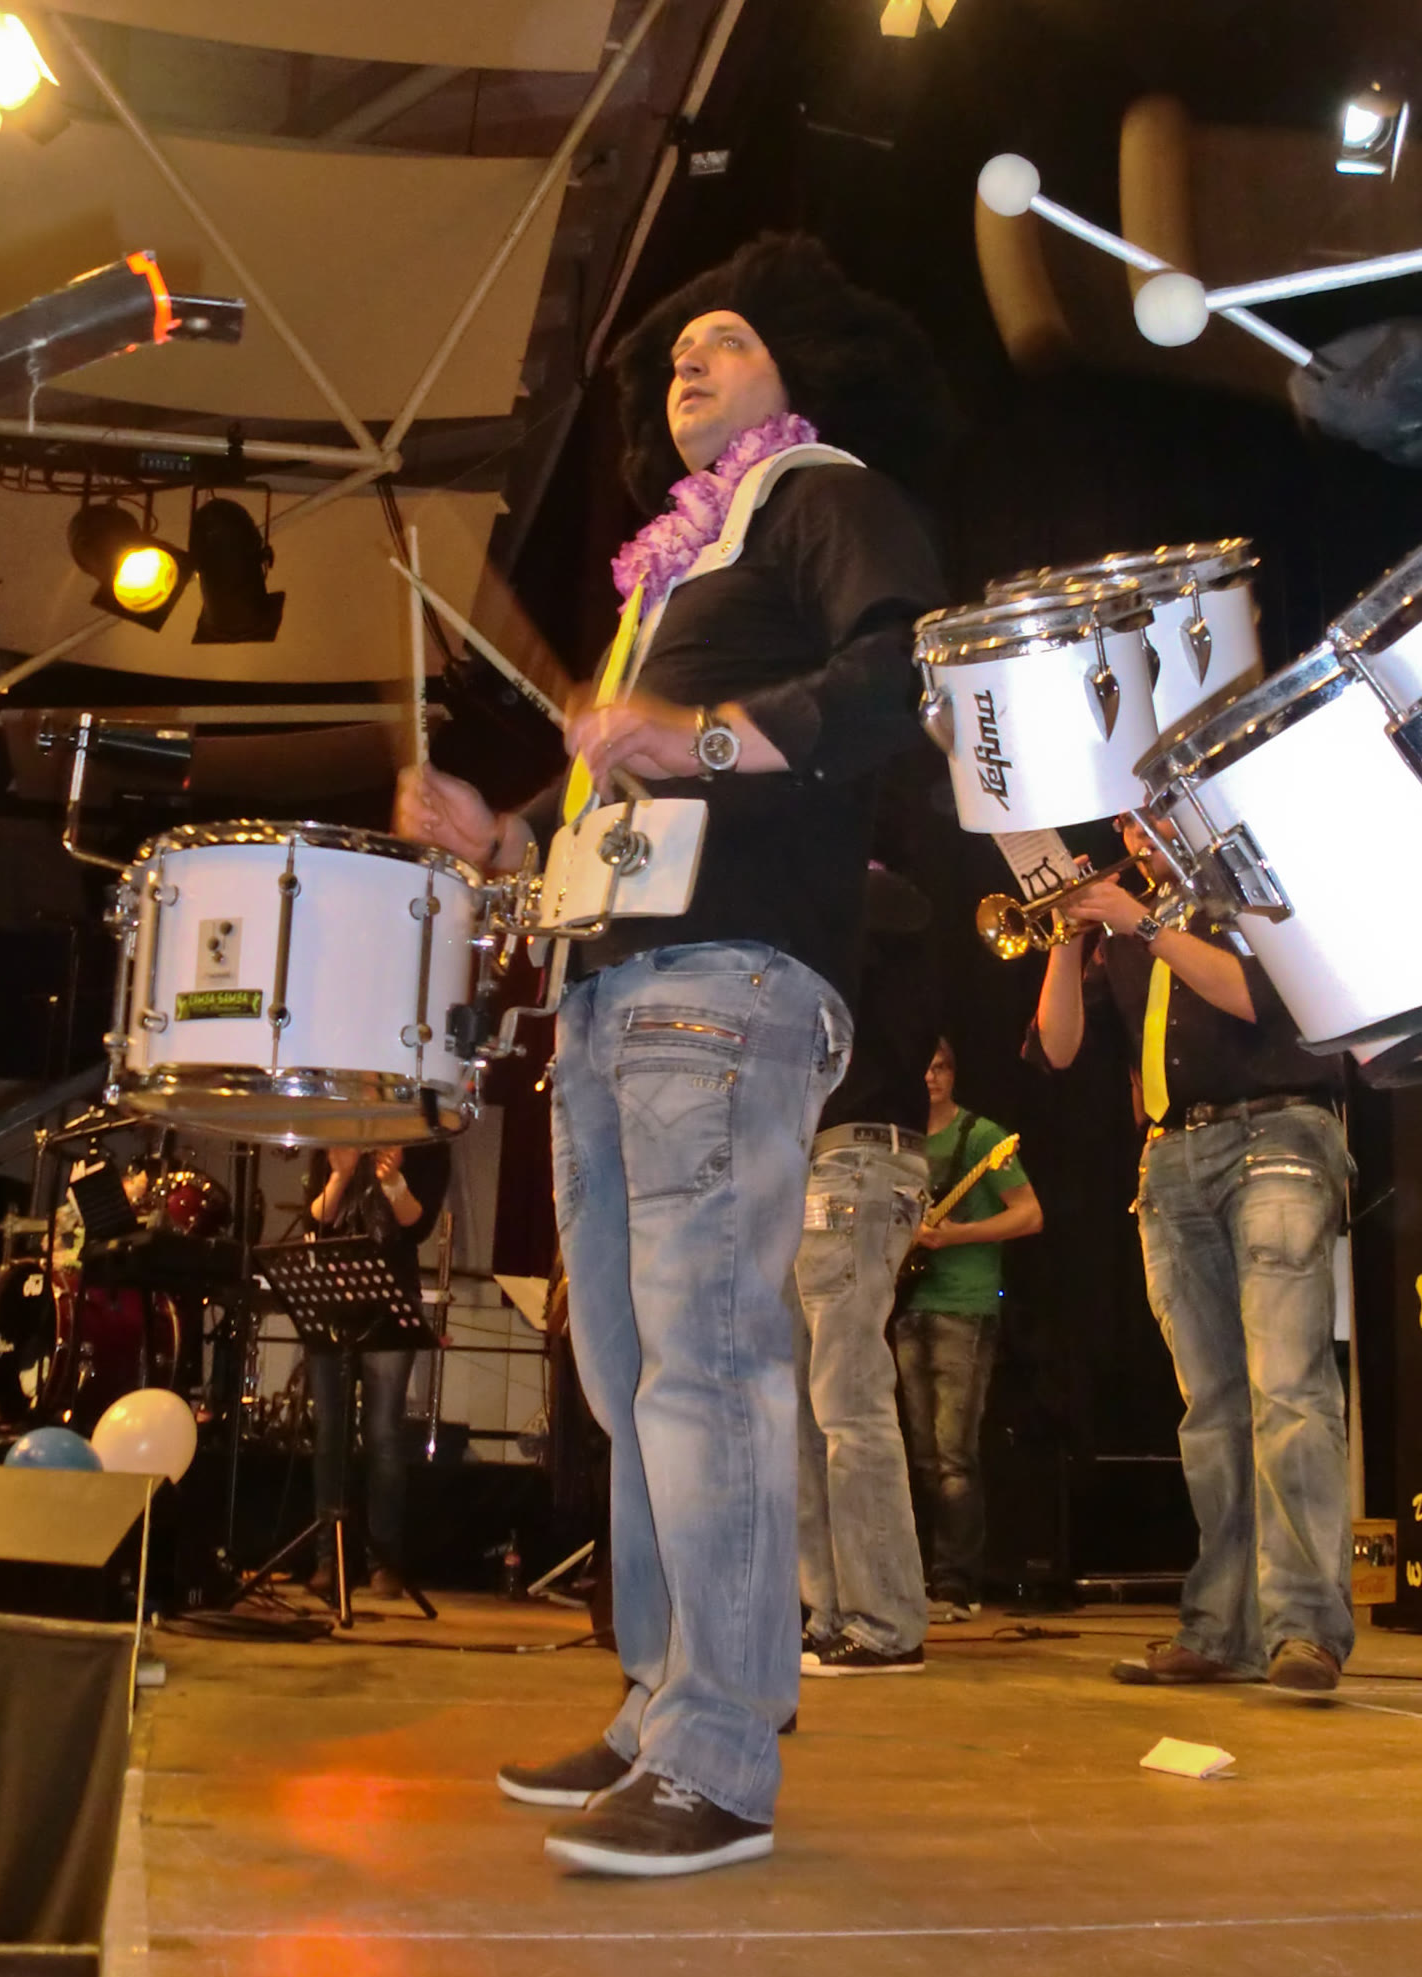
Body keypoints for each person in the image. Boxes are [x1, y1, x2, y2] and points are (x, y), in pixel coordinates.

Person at [397, 232, 952, 1876]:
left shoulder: (824, 496)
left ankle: (718, 1752)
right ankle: (663, 1704)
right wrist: (505, 834)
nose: (687, 363)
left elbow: (902, 673)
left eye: (725, 339)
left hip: (728, 977)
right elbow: (628, 803)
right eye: (676, 351)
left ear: (799, 366)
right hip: (614, 982)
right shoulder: (674, 577)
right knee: (631, 1371)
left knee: (705, 1356)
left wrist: (698, 732)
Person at [1029, 817, 1352, 1692]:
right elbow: (1057, 1048)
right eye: (1126, 818)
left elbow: (1261, 1000)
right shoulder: (1128, 926)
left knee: (1288, 1390)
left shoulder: (1254, 888)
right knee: (1210, 1409)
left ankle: (1305, 1630)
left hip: (1277, 1133)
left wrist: (1139, 923)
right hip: (1170, 1159)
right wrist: (1067, 938)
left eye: (1150, 812)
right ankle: (1221, 1631)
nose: (1135, 831)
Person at [794, 867, 938, 1676]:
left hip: (857, 1160)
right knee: (805, 1407)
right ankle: (830, 1611)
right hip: (818, 1162)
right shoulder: (846, 905)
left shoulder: (883, 902)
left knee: (847, 1399)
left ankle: (885, 1620)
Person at [894, 1037, 1042, 1622]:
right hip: (906, 1302)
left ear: (954, 1074)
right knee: (922, 1455)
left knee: (954, 1452)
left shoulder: (981, 1136)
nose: (932, 1077)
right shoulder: (902, 1141)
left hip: (965, 1303)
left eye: (941, 1068)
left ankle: (957, 1584)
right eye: (924, 1068)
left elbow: (1029, 1215)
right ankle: (928, 1576)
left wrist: (956, 1235)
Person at [302, 1142, 450, 1600]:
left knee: (383, 1431)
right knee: (330, 1429)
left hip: (390, 1297)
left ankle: (384, 1559)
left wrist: (392, 1182)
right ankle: (329, 1557)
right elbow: (315, 1220)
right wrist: (341, 1175)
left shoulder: (427, 1146)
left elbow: (418, 1226)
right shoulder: (336, 1134)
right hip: (332, 1298)